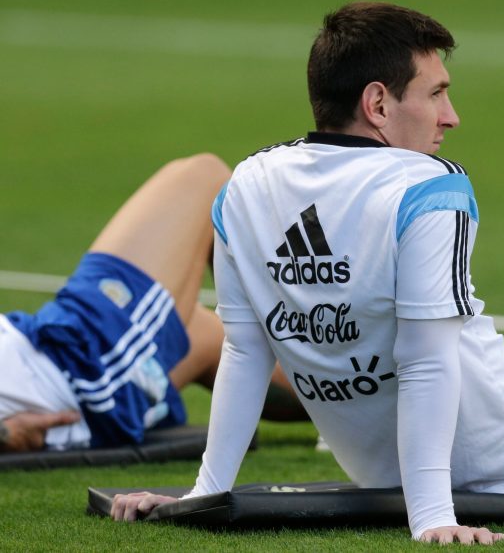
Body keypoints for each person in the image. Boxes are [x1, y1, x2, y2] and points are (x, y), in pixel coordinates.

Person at [110, 3, 504, 545]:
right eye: (437, 93)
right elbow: (415, 362)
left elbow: (250, 352)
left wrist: (208, 490)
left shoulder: (246, 187)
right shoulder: (425, 187)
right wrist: (433, 519)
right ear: (378, 104)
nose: (451, 117)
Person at [0, 154, 305, 453]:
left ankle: (342, 395)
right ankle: (320, 323)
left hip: (57, 363)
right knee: (201, 177)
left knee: (215, 339)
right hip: (79, 369)